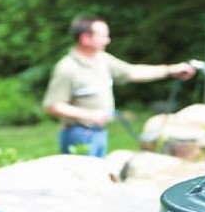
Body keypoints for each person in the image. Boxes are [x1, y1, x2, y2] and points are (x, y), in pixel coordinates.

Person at [43, 15, 197, 157]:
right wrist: (90, 115)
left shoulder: (102, 59)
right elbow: (53, 106)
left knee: (98, 174)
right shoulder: (67, 68)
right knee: (81, 176)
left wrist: (171, 70)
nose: (107, 40)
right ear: (85, 38)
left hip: (99, 133)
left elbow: (132, 72)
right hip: (78, 135)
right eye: (103, 36)